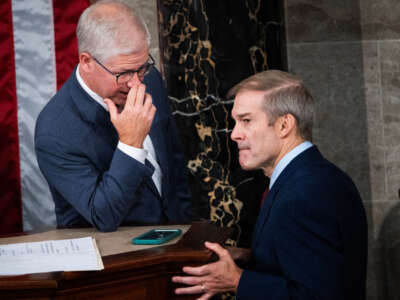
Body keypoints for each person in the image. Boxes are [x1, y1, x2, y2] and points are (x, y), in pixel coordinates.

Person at [172, 70, 367, 300]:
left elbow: (316, 295)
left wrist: (237, 281)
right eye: (235, 122)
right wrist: (251, 257)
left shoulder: (306, 194)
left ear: (284, 125)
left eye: (246, 121)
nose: (234, 134)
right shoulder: (308, 177)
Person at [34, 0, 191, 232]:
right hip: (115, 260)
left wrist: (188, 233)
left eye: (141, 68)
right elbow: (103, 215)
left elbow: (174, 166)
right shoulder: (54, 130)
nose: (137, 83)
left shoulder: (150, 78)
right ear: (86, 62)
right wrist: (130, 144)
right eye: (124, 73)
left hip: (177, 242)